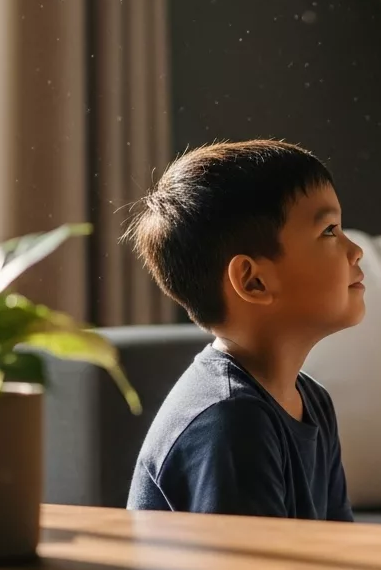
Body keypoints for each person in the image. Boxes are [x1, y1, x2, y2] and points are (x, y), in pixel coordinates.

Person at [126, 140, 363, 521]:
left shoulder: (313, 402)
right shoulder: (231, 420)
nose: (356, 250)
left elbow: (339, 549)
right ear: (253, 282)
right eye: (330, 230)